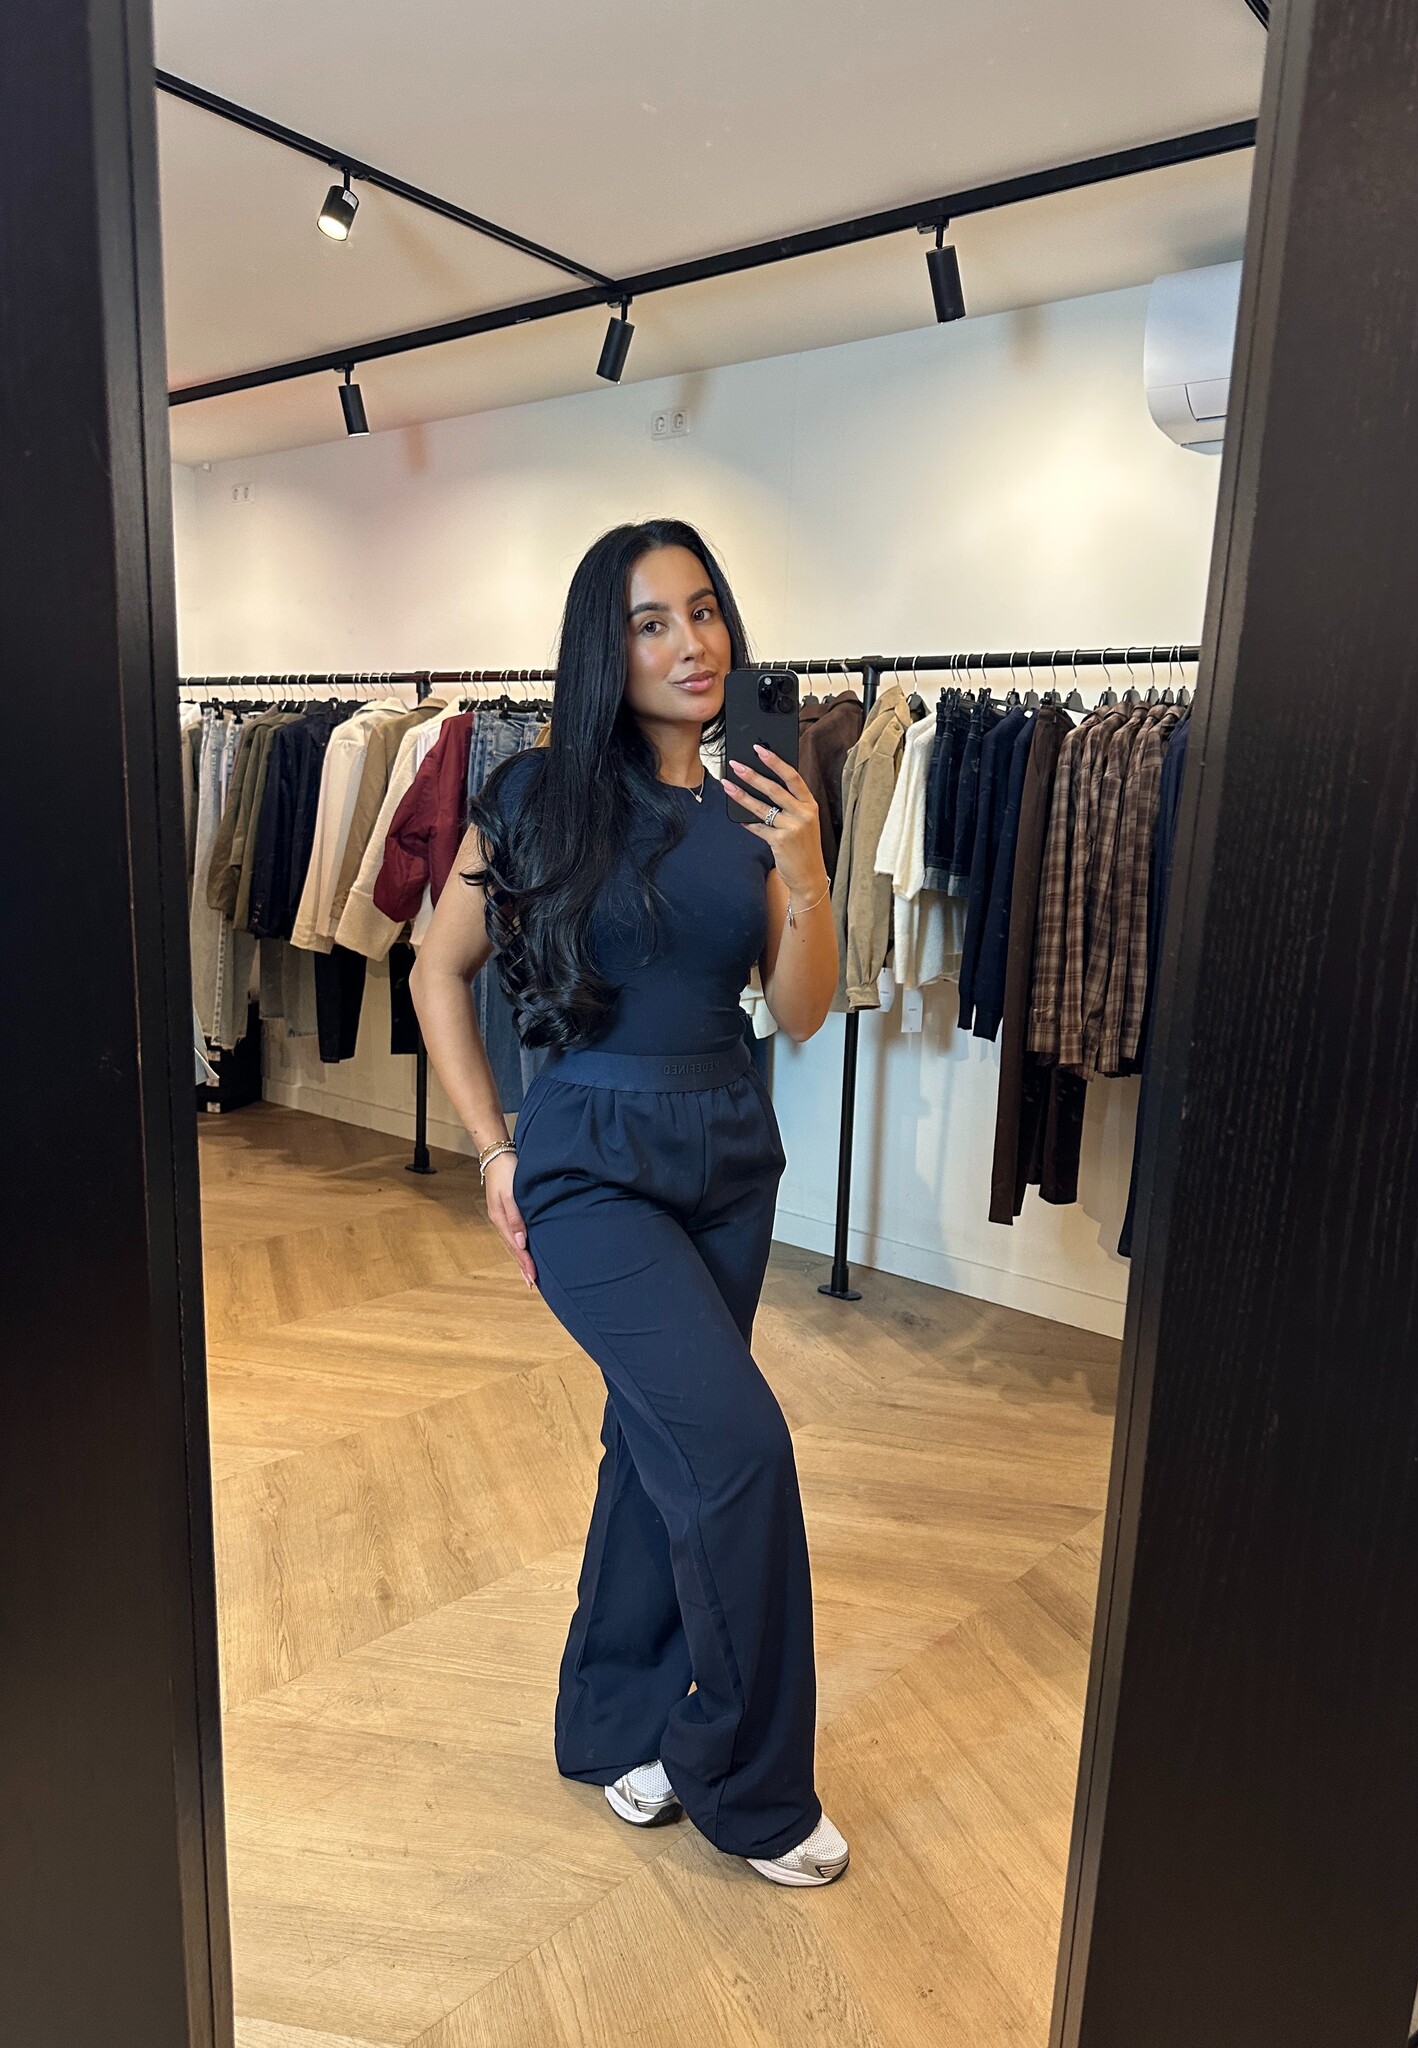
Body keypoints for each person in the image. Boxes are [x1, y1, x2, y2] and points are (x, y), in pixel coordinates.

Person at [411, 520, 847, 1886]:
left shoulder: (760, 804)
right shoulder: (534, 794)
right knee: (739, 1448)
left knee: (652, 1445)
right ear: (606, 648)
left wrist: (809, 869)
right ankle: (748, 1782)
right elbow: (435, 969)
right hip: (589, 1163)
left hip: (729, 1156)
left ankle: (619, 1727)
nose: (691, 644)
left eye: (704, 611)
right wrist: (492, 1152)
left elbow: (801, 1010)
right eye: (652, 622)